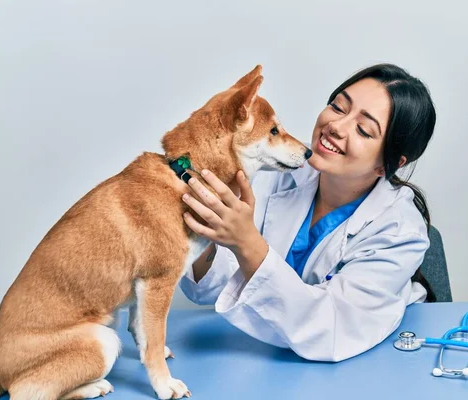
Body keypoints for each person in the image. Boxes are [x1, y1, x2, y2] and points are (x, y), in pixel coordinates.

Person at [179, 63, 437, 362]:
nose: (336, 126)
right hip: (255, 355)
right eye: (338, 107)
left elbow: (330, 330)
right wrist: (201, 229)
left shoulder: (399, 230)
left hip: (358, 367)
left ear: (389, 164)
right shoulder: (276, 163)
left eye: (364, 130)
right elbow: (211, 290)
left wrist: (246, 243)